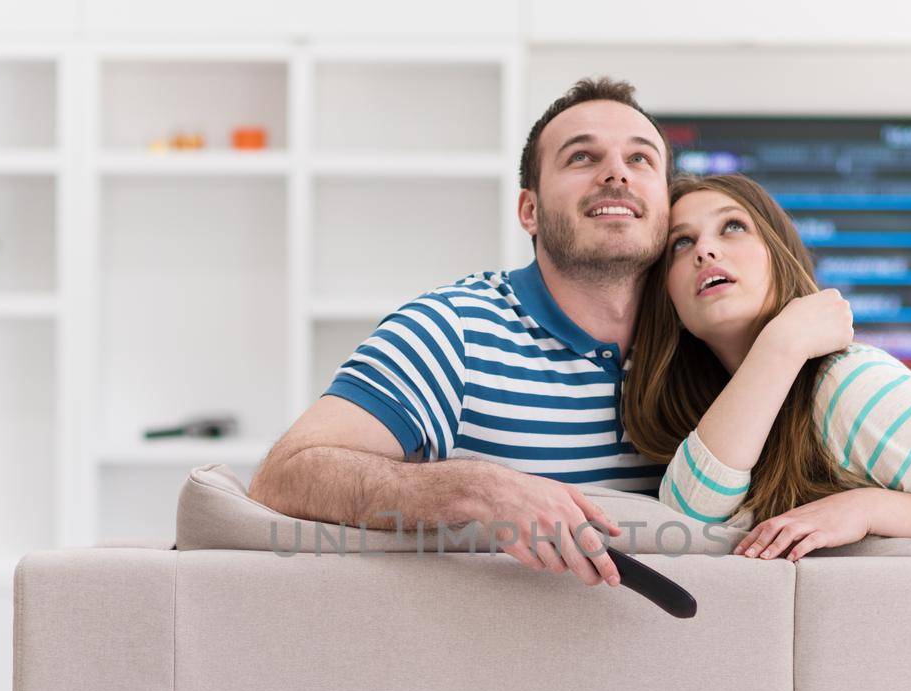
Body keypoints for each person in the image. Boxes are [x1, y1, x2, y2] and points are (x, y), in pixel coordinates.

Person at [249, 77, 675, 589]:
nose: (616, 174)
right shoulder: (454, 331)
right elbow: (282, 477)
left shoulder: (704, 340)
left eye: (641, 159)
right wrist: (477, 487)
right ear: (530, 210)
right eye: (582, 158)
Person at [622, 172, 911, 562]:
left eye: (733, 226)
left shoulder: (850, 382)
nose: (705, 250)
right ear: (669, 301)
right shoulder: (709, 406)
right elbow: (686, 521)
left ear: (780, 256)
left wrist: (868, 508)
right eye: (682, 242)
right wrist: (781, 345)